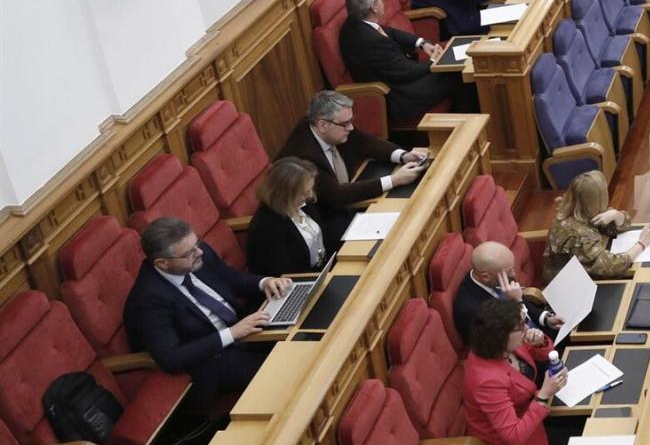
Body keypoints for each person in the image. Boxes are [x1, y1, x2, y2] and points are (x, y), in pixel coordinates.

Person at [124, 217, 291, 408]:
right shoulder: (149, 300)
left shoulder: (194, 256)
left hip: (240, 328)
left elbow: (230, 279)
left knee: (300, 332)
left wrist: (265, 282)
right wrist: (232, 333)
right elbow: (171, 358)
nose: (200, 252)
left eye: (197, 244)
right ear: (163, 264)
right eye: (190, 252)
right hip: (211, 360)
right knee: (282, 369)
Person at [276, 91, 428, 244]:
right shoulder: (305, 156)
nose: (351, 128)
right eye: (345, 124)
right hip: (324, 220)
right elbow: (335, 195)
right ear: (322, 125)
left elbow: (365, 142)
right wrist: (394, 180)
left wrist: (402, 155)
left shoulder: (331, 129)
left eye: (351, 121)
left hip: (346, 202)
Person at [339, 0, 471, 126]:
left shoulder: (356, 21)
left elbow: (391, 32)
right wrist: (435, 61)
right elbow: (407, 72)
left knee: (454, 64)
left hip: (402, 76)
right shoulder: (371, 41)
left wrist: (422, 43)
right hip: (402, 95)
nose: (383, 0)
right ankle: (465, 122)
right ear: (373, 8)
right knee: (458, 72)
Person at [462, 298, 565, 445]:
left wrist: (540, 343)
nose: (527, 328)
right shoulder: (486, 381)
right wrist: (543, 395)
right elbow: (514, 437)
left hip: (532, 417)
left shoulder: (505, 344)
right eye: (521, 327)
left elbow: (544, 355)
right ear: (501, 336)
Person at [544, 170, 650, 281]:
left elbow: (624, 224)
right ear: (593, 201)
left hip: (582, 274)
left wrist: (616, 215)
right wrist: (642, 243)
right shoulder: (577, 233)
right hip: (570, 285)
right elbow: (611, 267)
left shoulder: (580, 208)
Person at [454, 241, 565, 346]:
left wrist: (546, 319)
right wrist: (515, 303)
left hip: (543, 331)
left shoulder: (496, 276)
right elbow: (508, 340)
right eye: (508, 271)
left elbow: (520, 297)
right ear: (485, 276)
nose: (513, 274)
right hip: (526, 349)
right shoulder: (471, 310)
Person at [246, 157, 339, 278]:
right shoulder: (266, 226)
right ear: (284, 194)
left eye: (310, 189)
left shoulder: (302, 203)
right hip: (299, 283)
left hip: (325, 269)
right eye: (304, 192)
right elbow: (283, 273)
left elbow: (326, 235)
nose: (310, 195)